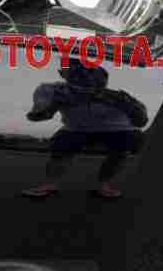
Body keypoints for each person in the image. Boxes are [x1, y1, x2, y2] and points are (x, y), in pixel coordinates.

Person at [22, 59, 147, 198]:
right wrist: (51, 105)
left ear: (103, 76)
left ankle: (104, 185)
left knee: (122, 150)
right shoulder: (54, 90)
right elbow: (37, 116)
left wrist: (124, 104)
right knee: (61, 151)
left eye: (90, 70)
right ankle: (50, 184)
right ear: (63, 74)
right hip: (75, 129)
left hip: (118, 129)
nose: (85, 75)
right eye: (77, 71)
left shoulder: (119, 96)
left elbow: (141, 121)